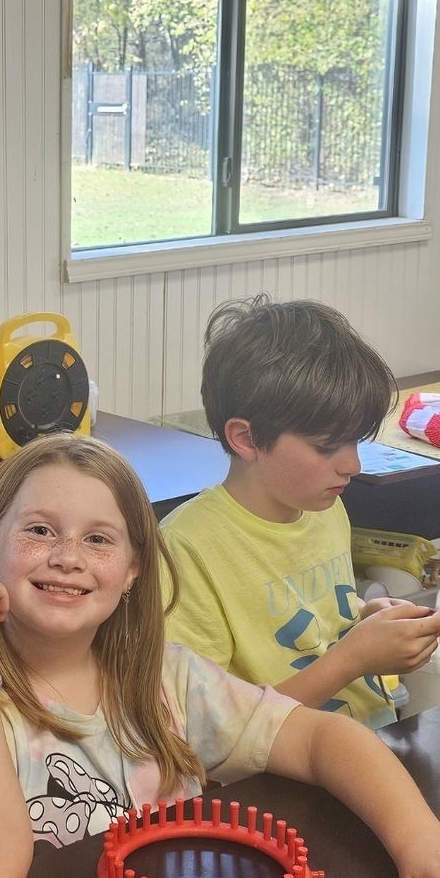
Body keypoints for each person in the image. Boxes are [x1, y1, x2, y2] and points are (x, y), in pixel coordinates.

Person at [0, 433, 440, 878]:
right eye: (38, 531)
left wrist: (419, 840)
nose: (67, 558)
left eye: (99, 540)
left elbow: (323, 738)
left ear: (135, 569)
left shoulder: (166, 677)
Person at [160, 295, 440, 730]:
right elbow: (208, 729)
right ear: (246, 439)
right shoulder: (185, 549)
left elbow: (315, 632)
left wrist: (364, 622)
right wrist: (354, 657)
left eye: (355, 442)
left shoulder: (324, 505)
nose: (353, 465)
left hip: (368, 742)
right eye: (327, 446)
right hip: (284, 776)